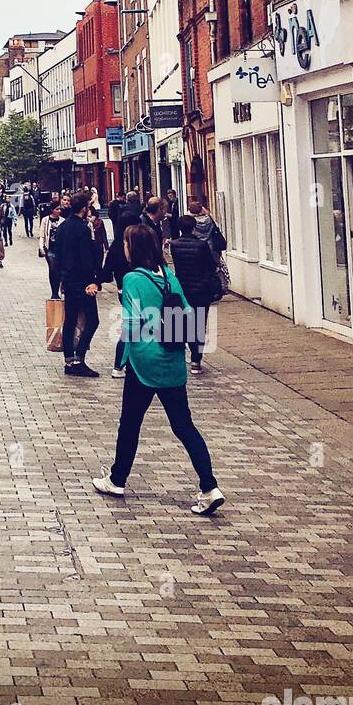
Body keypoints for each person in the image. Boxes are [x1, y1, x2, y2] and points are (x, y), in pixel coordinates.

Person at [92, 225, 225, 515]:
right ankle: (209, 486)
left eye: (126, 243)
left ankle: (117, 479)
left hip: (144, 363)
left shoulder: (132, 280)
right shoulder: (170, 278)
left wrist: (122, 361)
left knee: (129, 423)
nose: (123, 248)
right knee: (184, 426)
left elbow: (132, 324)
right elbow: (187, 315)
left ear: (133, 248)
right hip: (172, 363)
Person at [55, 192, 105, 377]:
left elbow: (58, 256)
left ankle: (69, 361)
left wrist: (61, 278)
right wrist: (93, 280)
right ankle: (79, 358)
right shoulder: (83, 229)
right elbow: (86, 257)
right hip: (82, 281)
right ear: (84, 208)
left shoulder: (62, 227)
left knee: (70, 320)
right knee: (92, 320)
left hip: (68, 279)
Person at [167, 214, 220, 374]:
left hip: (182, 288)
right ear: (194, 227)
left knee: (183, 323)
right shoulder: (202, 245)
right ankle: (196, 360)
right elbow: (211, 266)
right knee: (198, 325)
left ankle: (183, 353)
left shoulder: (174, 245)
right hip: (201, 289)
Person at [39, 200, 64, 299]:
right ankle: (54, 292)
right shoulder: (45, 220)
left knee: (59, 270)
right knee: (53, 269)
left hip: (60, 249)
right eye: (57, 209)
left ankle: (57, 289)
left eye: (59, 209)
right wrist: (41, 247)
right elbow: (42, 235)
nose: (59, 211)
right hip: (50, 248)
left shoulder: (63, 221)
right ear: (52, 210)